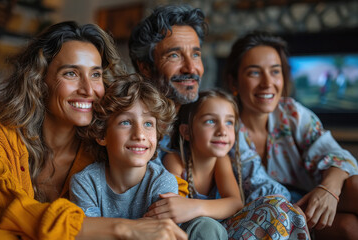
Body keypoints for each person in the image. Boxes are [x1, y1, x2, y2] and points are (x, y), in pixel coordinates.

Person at [0, 21, 187, 240]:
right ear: (38, 80)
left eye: (96, 74)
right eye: (71, 73)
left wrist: (185, 206)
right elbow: (5, 210)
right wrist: (124, 228)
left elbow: (164, 183)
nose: (88, 89)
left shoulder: (98, 141)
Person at [129, 4, 310, 240]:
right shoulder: (133, 123)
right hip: (162, 229)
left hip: (219, 223)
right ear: (146, 67)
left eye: (195, 54)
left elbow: (257, 181)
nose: (191, 67)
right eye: (174, 55)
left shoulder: (216, 114)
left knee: (280, 208)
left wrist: (295, 209)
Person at [222, 30, 358, 239]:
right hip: (267, 215)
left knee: (354, 187)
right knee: (348, 228)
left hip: (309, 204)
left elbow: (339, 155)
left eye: (275, 72)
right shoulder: (224, 126)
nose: (268, 83)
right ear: (233, 82)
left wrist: (328, 190)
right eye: (254, 72)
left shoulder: (291, 113)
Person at [70, 74, 178, 219]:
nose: (140, 135)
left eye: (148, 124)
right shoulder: (85, 182)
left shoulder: (163, 182)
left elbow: (160, 233)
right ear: (102, 135)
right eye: (126, 122)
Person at [155, 89, 244, 219]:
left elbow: (235, 203)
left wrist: (195, 207)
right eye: (211, 121)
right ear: (186, 132)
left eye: (229, 122)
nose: (223, 131)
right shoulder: (175, 160)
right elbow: (173, 206)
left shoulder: (222, 160)